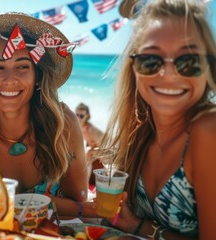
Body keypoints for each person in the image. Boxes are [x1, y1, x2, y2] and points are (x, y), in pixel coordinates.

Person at [0, 12, 89, 217]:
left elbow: (78, 201)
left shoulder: (63, 123)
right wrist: (43, 203)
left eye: (22, 66)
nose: (10, 79)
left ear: (37, 76)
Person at [99, 0, 216, 239]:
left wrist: (142, 228)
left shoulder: (208, 130)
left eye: (189, 61)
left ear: (209, 68)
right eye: (151, 61)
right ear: (134, 68)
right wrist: (132, 224)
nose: (168, 74)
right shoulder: (140, 134)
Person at [75, 102, 104, 185]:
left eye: (81, 116)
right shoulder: (80, 128)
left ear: (87, 116)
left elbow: (106, 148)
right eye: (77, 115)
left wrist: (90, 152)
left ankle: (84, 182)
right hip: (94, 155)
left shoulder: (90, 130)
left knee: (88, 152)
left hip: (105, 155)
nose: (78, 118)